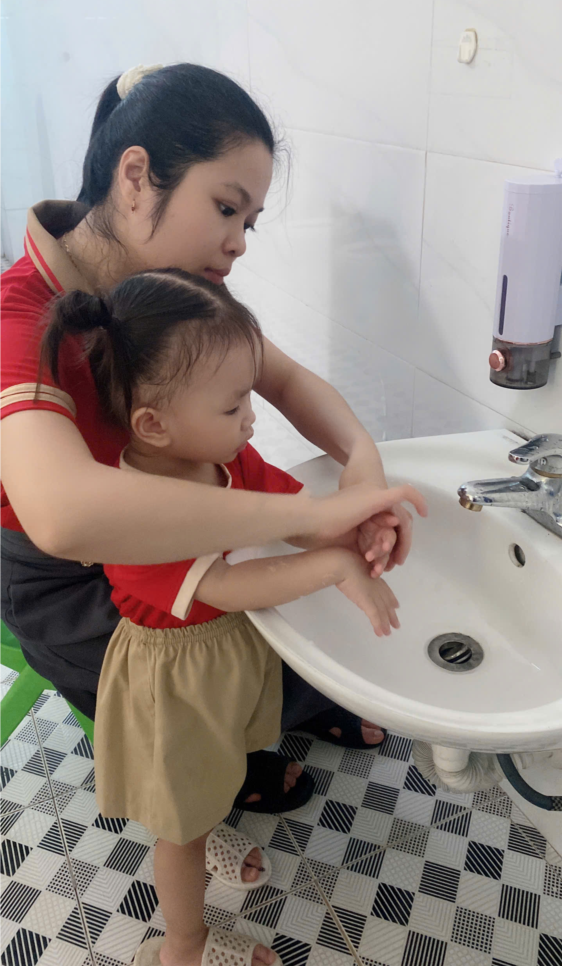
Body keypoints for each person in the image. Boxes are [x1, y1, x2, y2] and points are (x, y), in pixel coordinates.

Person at [0, 61, 416, 812]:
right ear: (136, 178)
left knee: (306, 609)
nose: (239, 243)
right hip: (69, 578)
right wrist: (312, 515)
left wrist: (362, 461)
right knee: (196, 678)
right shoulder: (19, 315)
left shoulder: (175, 287)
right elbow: (62, 515)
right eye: (226, 208)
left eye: (247, 222)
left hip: (184, 502)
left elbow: (283, 378)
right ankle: (208, 776)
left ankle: (270, 717)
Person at [40, 267, 426, 966]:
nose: (251, 417)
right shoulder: (131, 511)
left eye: (249, 395)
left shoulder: (225, 457)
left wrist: (358, 528)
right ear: (154, 424)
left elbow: (298, 517)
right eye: (232, 405)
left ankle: (206, 812)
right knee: (179, 830)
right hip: (173, 683)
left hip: (219, 662)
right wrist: (336, 568)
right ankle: (182, 945)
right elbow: (224, 585)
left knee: (210, 778)